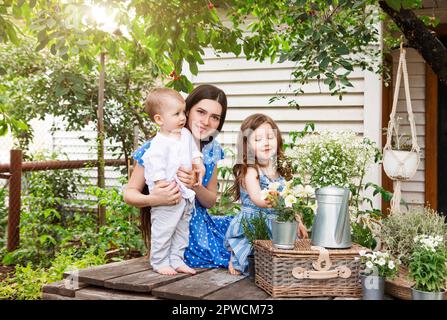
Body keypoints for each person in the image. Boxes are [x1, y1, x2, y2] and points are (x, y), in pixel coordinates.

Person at [124, 84, 233, 273]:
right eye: (201, 112)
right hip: (172, 225)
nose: (206, 121)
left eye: (215, 117)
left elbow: (210, 202)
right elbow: (129, 194)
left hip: (199, 222)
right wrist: (154, 199)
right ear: (187, 110)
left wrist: (195, 185)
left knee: (245, 228)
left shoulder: (212, 150)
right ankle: (167, 259)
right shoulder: (156, 147)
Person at [225, 113, 308, 275]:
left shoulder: (280, 171)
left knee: (283, 261)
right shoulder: (251, 170)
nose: (266, 142)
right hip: (255, 222)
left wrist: (298, 220)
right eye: (258, 139)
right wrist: (274, 196)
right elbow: (258, 199)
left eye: (270, 137)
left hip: (277, 223)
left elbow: (289, 202)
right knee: (252, 257)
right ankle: (235, 257)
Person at [141, 88, 205, 275]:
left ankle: (177, 259)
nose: (182, 117)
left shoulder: (185, 135)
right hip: (167, 195)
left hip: (185, 195)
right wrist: (160, 183)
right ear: (159, 119)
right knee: (163, 229)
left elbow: (194, 152)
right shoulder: (158, 143)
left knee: (181, 229)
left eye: (183, 112)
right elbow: (153, 163)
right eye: (176, 113)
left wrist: (198, 163)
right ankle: (159, 261)